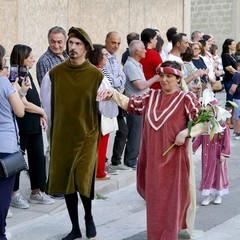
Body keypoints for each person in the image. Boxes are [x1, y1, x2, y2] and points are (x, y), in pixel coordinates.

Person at [98, 61, 207, 240]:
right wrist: (113, 94)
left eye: (169, 76)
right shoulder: (151, 96)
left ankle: (170, 235)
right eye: (162, 76)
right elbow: (131, 104)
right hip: (152, 160)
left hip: (175, 162)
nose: (164, 80)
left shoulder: (185, 98)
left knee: (172, 202)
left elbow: (203, 121)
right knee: (155, 204)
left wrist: (186, 132)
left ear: (178, 79)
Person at [46, 27, 105, 240]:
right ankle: (75, 227)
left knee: (82, 178)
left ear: (86, 48)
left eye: (77, 44)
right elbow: (47, 106)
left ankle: (88, 216)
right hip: (62, 135)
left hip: (88, 134)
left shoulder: (96, 75)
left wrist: (107, 99)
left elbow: (108, 110)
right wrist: (52, 133)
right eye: (70, 43)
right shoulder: (54, 74)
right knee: (67, 180)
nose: (72, 47)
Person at [10, 44, 54, 209]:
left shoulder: (27, 73)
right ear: (22, 58)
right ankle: (13, 194)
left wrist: (40, 115)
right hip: (22, 126)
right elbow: (23, 103)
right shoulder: (15, 76)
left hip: (34, 124)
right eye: (30, 57)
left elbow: (34, 97)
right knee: (17, 162)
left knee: (37, 158)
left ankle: (37, 192)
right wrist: (43, 112)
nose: (33, 59)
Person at [0, 45, 30, 240]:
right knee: (3, 194)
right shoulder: (4, 82)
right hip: (6, 146)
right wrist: (21, 91)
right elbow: (19, 111)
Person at [37, 26, 68, 199]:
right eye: (53, 42)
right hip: (54, 110)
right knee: (54, 149)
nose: (56, 45)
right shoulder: (44, 61)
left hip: (69, 110)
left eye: (59, 42)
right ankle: (53, 186)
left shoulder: (67, 56)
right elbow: (48, 90)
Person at [123, 40, 160, 168]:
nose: (145, 51)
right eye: (143, 48)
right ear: (137, 51)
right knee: (135, 133)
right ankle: (131, 160)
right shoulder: (130, 66)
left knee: (139, 133)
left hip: (141, 103)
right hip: (135, 104)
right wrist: (156, 78)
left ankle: (135, 158)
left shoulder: (136, 64)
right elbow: (140, 85)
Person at [102, 31, 132, 172]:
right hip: (106, 100)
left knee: (123, 130)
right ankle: (105, 162)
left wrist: (118, 81)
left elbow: (122, 77)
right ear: (106, 41)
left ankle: (115, 161)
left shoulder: (114, 57)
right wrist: (118, 81)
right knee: (105, 132)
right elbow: (109, 79)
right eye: (113, 42)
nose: (116, 46)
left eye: (118, 43)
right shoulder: (102, 56)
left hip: (116, 99)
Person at [88, 44, 118, 180]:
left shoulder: (98, 71)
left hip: (102, 110)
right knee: (101, 143)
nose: (106, 57)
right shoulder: (96, 73)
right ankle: (99, 172)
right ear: (97, 56)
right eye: (104, 54)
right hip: (100, 111)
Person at [193, 118, 230, 206]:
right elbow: (198, 139)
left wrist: (224, 153)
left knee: (218, 174)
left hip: (218, 156)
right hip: (207, 156)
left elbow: (227, 141)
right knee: (207, 174)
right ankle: (208, 195)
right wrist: (191, 150)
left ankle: (218, 195)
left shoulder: (223, 126)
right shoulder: (205, 127)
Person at [221, 38, 237, 128]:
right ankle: (228, 121)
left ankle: (233, 121)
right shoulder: (225, 56)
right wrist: (238, 74)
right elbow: (229, 68)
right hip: (229, 80)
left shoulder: (233, 55)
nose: (234, 45)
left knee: (234, 101)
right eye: (233, 44)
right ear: (228, 45)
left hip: (234, 80)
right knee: (230, 101)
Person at [229, 60, 240, 139]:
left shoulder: (237, 75)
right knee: (237, 116)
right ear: (238, 67)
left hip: (237, 98)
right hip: (238, 98)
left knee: (237, 115)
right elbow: (233, 88)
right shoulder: (238, 76)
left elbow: (233, 89)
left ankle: (237, 132)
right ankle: (237, 132)